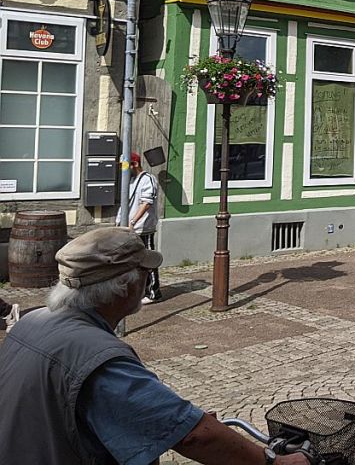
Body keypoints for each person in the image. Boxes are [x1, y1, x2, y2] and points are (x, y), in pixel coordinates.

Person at [0, 226, 310, 465]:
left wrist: (179, 421)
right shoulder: (97, 356)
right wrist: (274, 462)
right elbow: (194, 437)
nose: (149, 278)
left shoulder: (32, 321)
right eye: (144, 272)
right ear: (124, 286)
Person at [117, 151, 162, 303]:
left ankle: (153, 292)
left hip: (143, 227)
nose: (123, 170)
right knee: (134, 261)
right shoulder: (130, 181)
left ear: (135, 164)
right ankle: (139, 290)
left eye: (125, 166)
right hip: (130, 228)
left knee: (148, 259)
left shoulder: (147, 179)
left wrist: (133, 221)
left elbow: (146, 203)